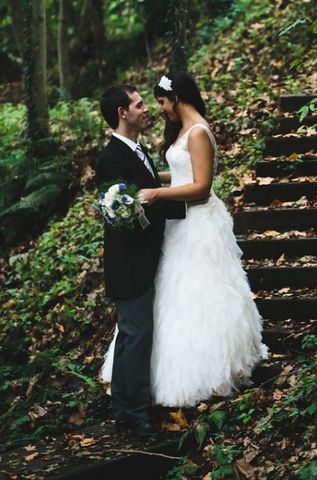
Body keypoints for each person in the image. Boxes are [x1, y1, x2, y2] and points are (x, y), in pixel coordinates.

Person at [101, 72, 268, 407]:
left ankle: (206, 371)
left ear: (176, 98)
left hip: (199, 222)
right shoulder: (183, 132)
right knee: (175, 295)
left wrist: (158, 192)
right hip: (178, 223)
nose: (160, 109)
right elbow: (181, 173)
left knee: (203, 293)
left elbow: (202, 186)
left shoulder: (198, 133)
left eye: (162, 101)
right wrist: (149, 181)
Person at [96, 85, 187, 439]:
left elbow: (149, 190)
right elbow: (124, 214)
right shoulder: (111, 158)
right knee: (137, 335)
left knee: (132, 336)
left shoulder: (136, 150)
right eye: (138, 104)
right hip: (129, 263)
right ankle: (135, 414)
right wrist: (185, 204)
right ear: (122, 112)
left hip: (143, 259)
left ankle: (122, 407)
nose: (145, 109)